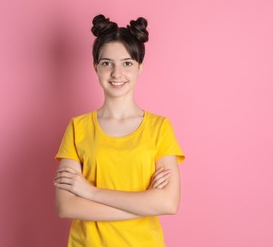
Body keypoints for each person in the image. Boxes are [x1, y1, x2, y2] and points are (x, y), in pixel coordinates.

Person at [54, 14, 185, 247]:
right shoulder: (77, 128)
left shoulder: (160, 128)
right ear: (95, 67)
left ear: (140, 67)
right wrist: (144, 205)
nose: (116, 73)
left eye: (127, 63)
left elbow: (168, 203)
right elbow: (66, 206)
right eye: (107, 63)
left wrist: (90, 192)